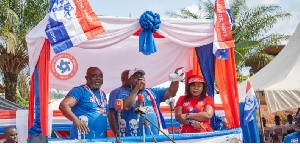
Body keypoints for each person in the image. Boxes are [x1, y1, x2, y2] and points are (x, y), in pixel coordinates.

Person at [119, 67, 183, 136]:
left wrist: (176, 78)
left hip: (155, 136)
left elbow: (171, 92)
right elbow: (125, 107)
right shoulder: (125, 94)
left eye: (142, 76)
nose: (140, 79)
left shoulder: (153, 92)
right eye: (136, 77)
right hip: (135, 138)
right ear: (130, 80)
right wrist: (137, 88)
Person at [59, 67, 107, 139]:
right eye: (94, 76)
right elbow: (64, 105)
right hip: (82, 139)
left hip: (100, 139)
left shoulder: (102, 94)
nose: (98, 78)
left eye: (100, 76)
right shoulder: (80, 91)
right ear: (87, 78)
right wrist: (75, 120)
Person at [108, 70, 130, 138]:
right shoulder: (116, 92)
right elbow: (111, 114)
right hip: (122, 132)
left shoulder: (136, 91)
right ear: (123, 79)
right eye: (128, 77)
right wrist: (116, 133)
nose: (131, 79)